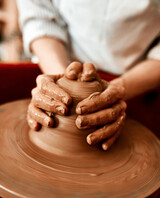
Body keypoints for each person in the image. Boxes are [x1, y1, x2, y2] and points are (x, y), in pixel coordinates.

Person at [16, 0, 160, 150]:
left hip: (138, 75)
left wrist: (118, 90)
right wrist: (62, 84)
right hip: (58, 61)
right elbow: (40, 17)